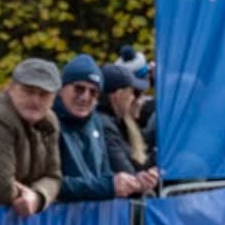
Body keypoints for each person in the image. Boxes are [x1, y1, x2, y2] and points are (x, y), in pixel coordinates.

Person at [0, 57, 64, 216]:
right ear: (11, 87)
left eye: (44, 94)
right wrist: (28, 195)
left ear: (53, 98)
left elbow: (54, 176)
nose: (35, 100)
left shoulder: (49, 122)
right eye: (28, 91)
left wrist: (38, 197)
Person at [54, 55, 157, 200]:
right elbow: (51, 184)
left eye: (93, 92)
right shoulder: (48, 123)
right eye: (79, 89)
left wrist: (136, 181)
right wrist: (109, 186)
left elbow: (105, 173)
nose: (85, 97)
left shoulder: (95, 122)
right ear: (61, 89)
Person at [101, 63, 153, 173]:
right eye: (132, 93)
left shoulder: (114, 123)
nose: (133, 98)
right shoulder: (107, 128)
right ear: (118, 95)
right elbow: (129, 174)